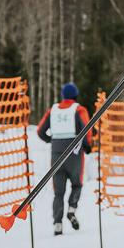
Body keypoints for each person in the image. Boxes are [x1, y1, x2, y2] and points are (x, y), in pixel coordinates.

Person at [35, 82, 93, 236]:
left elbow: (40, 131)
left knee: (58, 192)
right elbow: (87, 129)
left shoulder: (52, 110)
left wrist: (51, 140)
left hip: (56, 155)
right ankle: (72, 210)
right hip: (74, 155)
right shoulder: (79, 110)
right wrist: (88, 146)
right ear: (75, 95)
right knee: (77, 184)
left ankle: (57, 225)